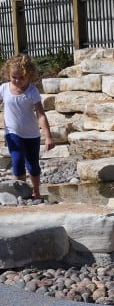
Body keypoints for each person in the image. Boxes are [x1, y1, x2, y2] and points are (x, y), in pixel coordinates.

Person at [1, 53, 54, 200]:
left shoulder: (32, 92)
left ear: (29, 75)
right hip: (12, 133)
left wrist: (48, 136)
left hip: (31, 134)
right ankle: (22, 193)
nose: (17, 80)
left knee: (33, 165)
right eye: (14, 77)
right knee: (17, 161)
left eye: (21, 77)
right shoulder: (4, 89)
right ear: (8, 75)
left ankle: (36, 190)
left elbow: (41, 115)